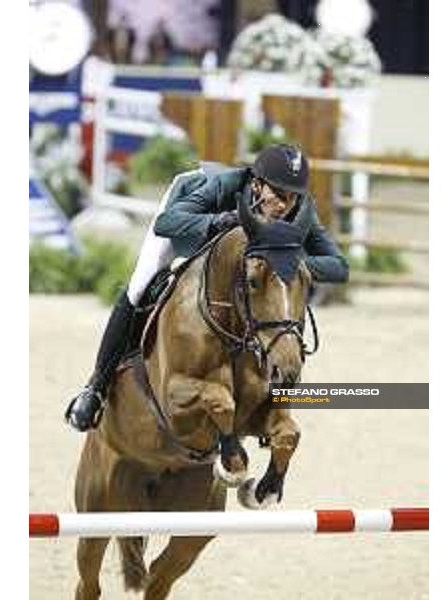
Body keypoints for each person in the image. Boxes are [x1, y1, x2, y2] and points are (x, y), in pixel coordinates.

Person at [65, 144, 349, 431]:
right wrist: (219, 220)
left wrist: (290, 266)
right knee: (140, 286)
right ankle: (96, 388)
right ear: (257, 183)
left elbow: (339, 266)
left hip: (241, 265)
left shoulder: (299, 209)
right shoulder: (226, 186)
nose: (283, 205)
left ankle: (269, 404)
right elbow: (167, 223)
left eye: (291, 197)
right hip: (189, 228)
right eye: (278, 194)